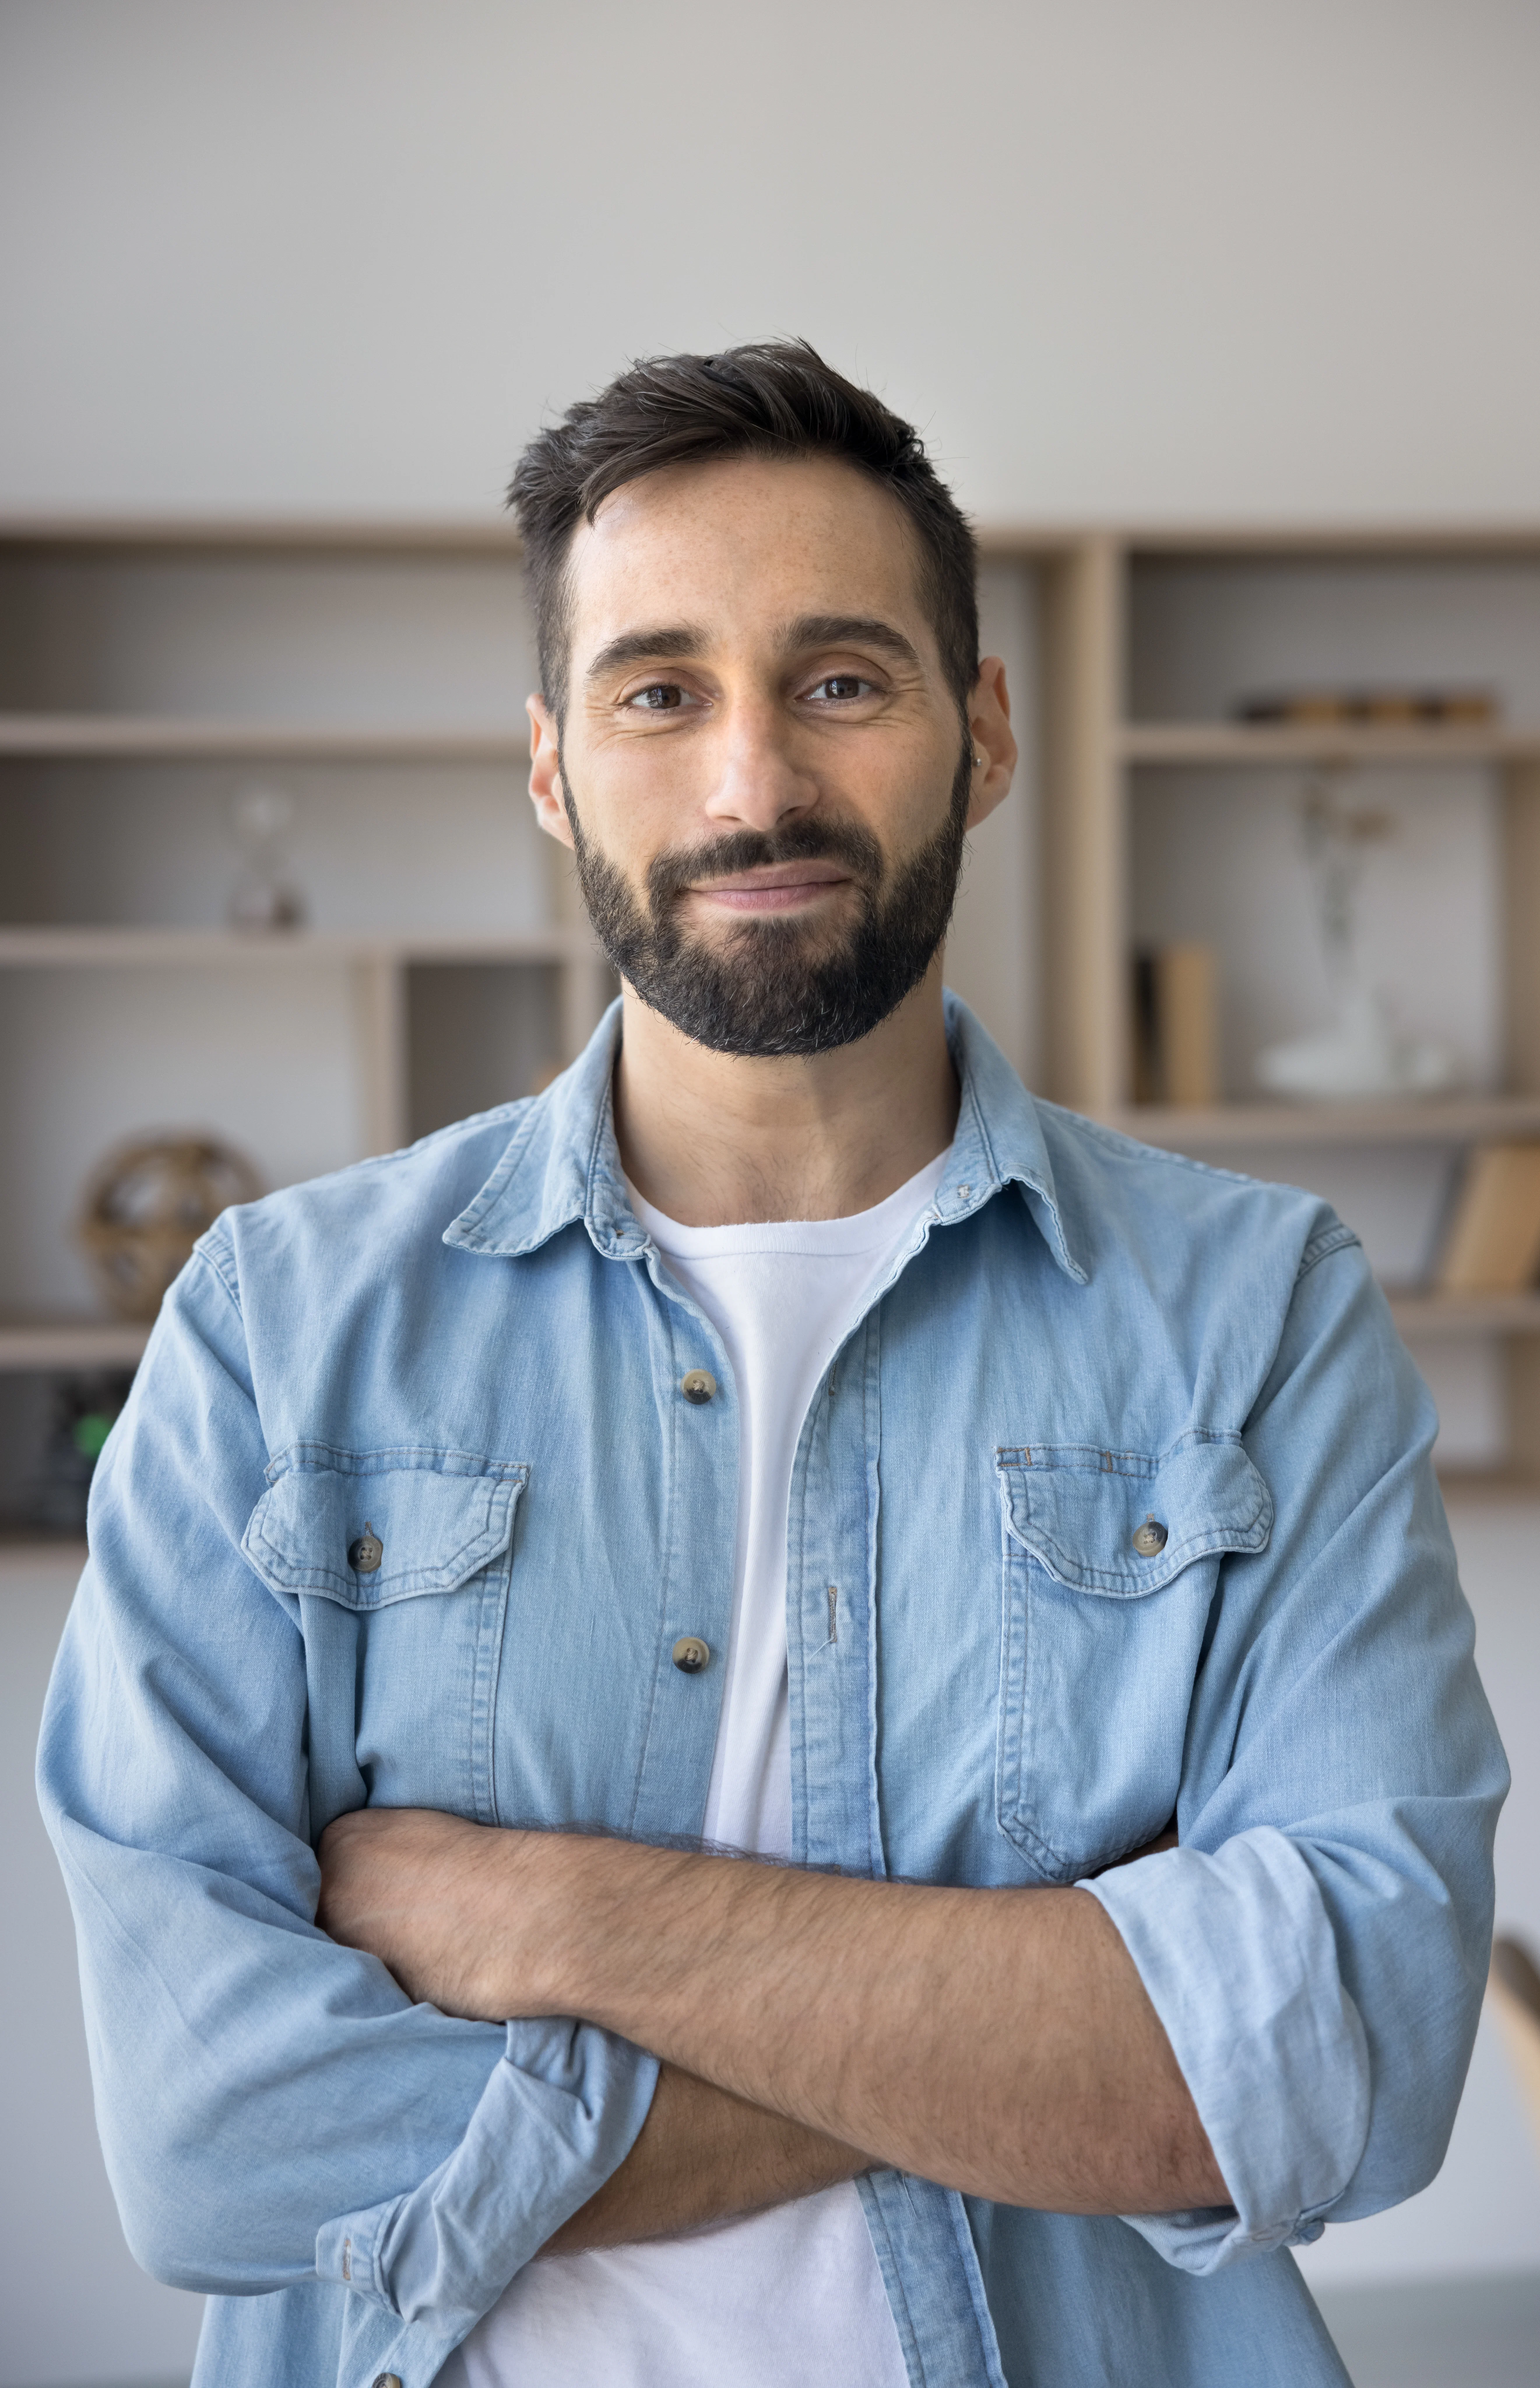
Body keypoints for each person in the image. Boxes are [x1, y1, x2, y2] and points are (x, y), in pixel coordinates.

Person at [39, 341, 1506, 2388]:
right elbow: (216, 2141)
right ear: (552, 762)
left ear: (981, 731)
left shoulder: (1259, 1313)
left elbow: (1354, 2051)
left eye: (841, 680)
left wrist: (556, 1921)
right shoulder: (280, 1329)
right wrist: (1061, 2048)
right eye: (661, 692)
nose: (753, 787)